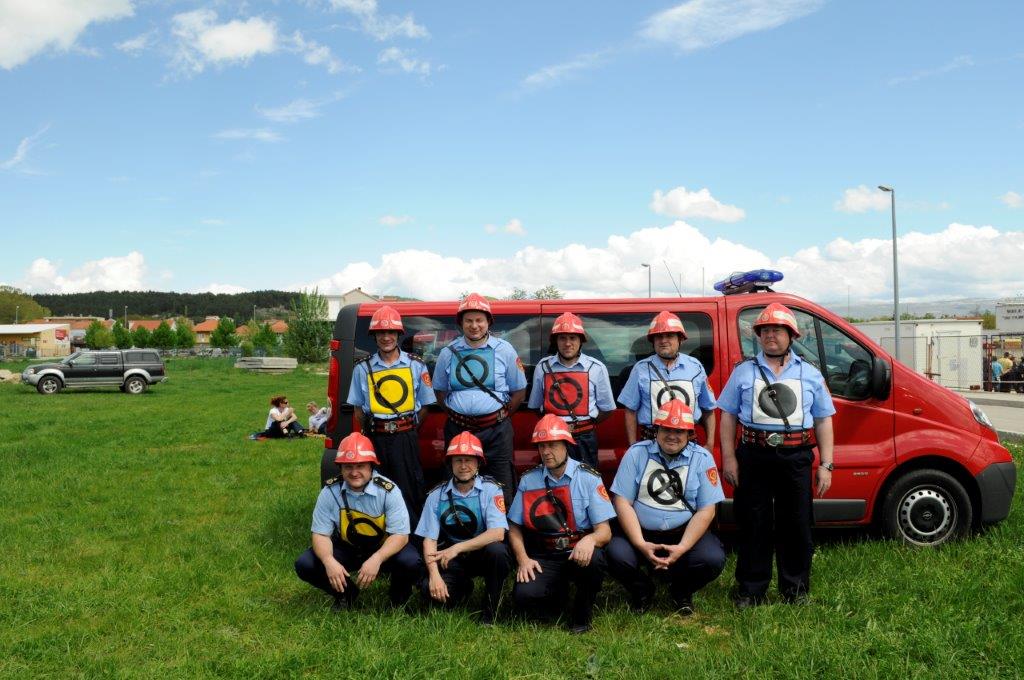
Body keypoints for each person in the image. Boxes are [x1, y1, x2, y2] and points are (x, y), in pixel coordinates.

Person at [718, 303, 835, 608]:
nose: (771, 335)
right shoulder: (743, 372)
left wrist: (826, 464)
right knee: (753, 522)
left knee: (796, 523)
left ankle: (794, 590)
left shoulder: (810, 374)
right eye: (765, 330)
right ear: (758, 336)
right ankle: (750, 590)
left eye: (777, 330)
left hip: (796, 456)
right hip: (753, 455)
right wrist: (730, 458)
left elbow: (824, 419)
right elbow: (728, 415)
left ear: (791, 335)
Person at [606, 399, 725, 615]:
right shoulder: (636, 453)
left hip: (682, 535)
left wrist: (683, 547)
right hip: (641, 534)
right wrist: (640, 543)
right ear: (656, 430)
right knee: (614, 553)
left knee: (712, 558)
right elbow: (622, 501)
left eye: (680, 431)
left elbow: (707, 510)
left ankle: (681, 592)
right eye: (667, 429)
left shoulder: (702, 458)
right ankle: (642, 589)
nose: (673, 435)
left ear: (689, 434)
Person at [507, 415, 615, 633]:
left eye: (553, 445)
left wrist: (590, 539)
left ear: (566, 445)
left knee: (594, 559)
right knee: (523, 596)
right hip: (545, 554)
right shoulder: (529, 480)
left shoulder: (588, 478)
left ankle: (581, 616)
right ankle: (557, 594)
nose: (546, 452)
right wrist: (523, 559)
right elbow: (514, 527)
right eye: (542, 446)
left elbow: (605, 532)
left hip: (577, 553)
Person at [294, 432, 420, 610]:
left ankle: (398, 598)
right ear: (340, 468)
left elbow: (400, 536)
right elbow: (320, 534)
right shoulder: (329, 491)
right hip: (348, 547)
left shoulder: (389, 491)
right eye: (348, 467)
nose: (354, 472)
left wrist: (377, 558)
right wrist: (329, 561)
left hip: (382, 548)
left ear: (371, 466)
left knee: (411, 560)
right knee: (306, 564)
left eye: (360, 466)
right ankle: (346, 594)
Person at [432, 293, 527, 505]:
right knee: (458, 481)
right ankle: (460, 529)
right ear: (461, 323)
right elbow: (439, 392)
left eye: (479, 320)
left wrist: (498, 416)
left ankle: (503, 534)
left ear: (488, 322)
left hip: (497, 431)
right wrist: (459, 413)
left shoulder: (505, 350)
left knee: (502, 483)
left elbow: (519, 390)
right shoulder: (448, 352)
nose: (474, 325)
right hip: (458, 429)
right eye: (469, 320)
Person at [348, 305, 436, 527]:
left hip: (406, 436)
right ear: (374, 336)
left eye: (390, 332)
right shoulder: (362, 368)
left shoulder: (416, 365)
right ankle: (379, 533)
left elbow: (425, 405)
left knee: (410, 487)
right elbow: (359, 409)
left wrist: (409, 427)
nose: (386, 337)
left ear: (398, 334)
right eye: (380, 333)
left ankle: (414, 537)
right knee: (376, 487)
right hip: (376, 437)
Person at [413, 431, 510, 625]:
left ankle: (491, 609)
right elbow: (429, 540)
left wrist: (457, 548)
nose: (464, 466)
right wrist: (434, 576)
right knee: (431, 593)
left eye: (469, 460)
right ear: (450, 464)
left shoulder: (492, 489)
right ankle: (463, 587)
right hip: (451, 560)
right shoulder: (436, 495)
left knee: (498, 551)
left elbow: (497, 533)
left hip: (477, 553)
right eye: (458, 460)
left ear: (478, 463)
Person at [527, 312, 615, 468]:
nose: (567, 343)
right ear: (555, 341)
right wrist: (557, 425)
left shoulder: (596, 367)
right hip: (551, 438)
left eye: (573, 338)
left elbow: (607, 409)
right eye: (562, 338)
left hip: (584, 438)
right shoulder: (543, 367)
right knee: (554, 485)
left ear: (581, 341)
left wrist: (583, 425)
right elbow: (535, 406)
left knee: (587, 483)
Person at [617, 311, 717, 448]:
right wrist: (633, 445)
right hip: (650, 442)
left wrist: (710, 444)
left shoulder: (695, 367)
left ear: (680, 339)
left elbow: (708, 409)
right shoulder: (640, 369)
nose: (663, 341)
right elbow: (630, 411)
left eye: (669, 335)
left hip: (688, 440)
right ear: (653, 341)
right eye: (658, 337)